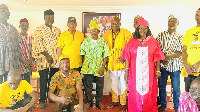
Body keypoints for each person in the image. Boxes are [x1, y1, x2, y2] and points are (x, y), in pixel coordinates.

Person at [121, 18, 165, 112]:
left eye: (145, 28)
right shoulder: (132, 41)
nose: (142, 30)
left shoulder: (153, 41)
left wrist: (158, 70)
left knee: (149, 92)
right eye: (140, 28)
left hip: (149, 72)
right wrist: (126, 70)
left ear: (148, 29)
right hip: (134, 72)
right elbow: (127, 56)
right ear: (137, 29)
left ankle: (149, 109)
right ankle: (134, 109)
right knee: (134, 92)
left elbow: (157, 57)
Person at [102, 16, 132, 112]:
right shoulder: (106, 34)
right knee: (114, 83)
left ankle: (123, 104)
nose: (114, 25)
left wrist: (124, 57)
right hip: (112, 65)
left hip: (123, 65)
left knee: (123, 84)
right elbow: (103, 48)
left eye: (116, 23)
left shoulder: (126, 33)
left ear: (120, 24)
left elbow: (130, 47)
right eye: (113, 24)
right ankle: (115, 101)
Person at [32, 9, 61, 109]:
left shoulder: (57, 30)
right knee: (44, 81)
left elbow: (60, 45)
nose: (50, 18)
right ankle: (42, 100)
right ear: (44, 17)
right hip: (43, 61)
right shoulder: (38, 30)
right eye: (48, 16)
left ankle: (52, 98)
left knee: (53, 81)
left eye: (52, 16)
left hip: (56, 62)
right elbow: (36, 45)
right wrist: (47, 55)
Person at [80, 20, 110, 110]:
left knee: (100, 86)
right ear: (90, 32)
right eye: (92, 30)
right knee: (87, 86)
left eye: (95, 30)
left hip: (99, 68)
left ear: (98, 31)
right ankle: (89, 102)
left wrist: (103, 66)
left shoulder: (103, 41)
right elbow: (83, 54)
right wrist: (86, 64)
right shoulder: (86, 41)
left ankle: (99, 102)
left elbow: (106, 55)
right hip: (88, 69)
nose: (93, 32)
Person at [157, 14, 183, 112]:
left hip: (175, 67)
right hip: (163, 66)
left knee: (176, 89)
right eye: (170, 21)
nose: (171, 23)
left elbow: (180, 52)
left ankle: (176, 108)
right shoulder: (161, 35)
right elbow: (157, 49)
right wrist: (163, 58)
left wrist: (166, 56)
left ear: (177, 23)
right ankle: (163, 106)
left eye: (173, 21)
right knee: (162, 87)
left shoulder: (180, 36)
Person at [0, 4, 20, 84]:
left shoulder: (13, 28)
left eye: (8, 11)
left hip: (12, 63)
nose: (6, 12)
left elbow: (17, 44)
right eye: (3, 10)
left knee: (11, 85)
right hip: (1, 62)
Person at [182, 8, 200, 93]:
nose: (198, 17)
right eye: (196, 15)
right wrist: (186, 65)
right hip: (189, 71)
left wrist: (198, 64)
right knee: (189, 96)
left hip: (199, 70)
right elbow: (184, 50)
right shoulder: (189, 32)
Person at [19, 18, 36, 99]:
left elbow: (34, 49)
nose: (24, 27)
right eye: (23, 25)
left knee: (27, 81)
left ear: (28, 26)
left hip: (30, 63)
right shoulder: (17, 37)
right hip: (20, 63)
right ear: (20, 26)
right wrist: (24, 61)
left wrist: (29, 61)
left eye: (26, 25)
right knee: (19, 82)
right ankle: (19, 98)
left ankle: (26, 98)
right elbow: (16, 51)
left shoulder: (31, 36)